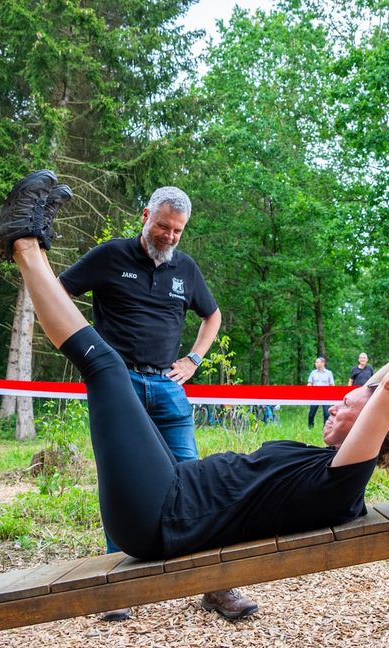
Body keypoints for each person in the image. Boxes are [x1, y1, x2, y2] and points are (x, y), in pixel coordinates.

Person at [0, 170, 389, 567]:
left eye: (350, 402)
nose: (341, 400)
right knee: (111, 367)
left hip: (161, 514)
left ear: (370, 428)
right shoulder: (333, 465)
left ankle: (23, 242)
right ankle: (29, 238)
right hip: (170, 492)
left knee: (104, 364)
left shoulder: (342, 482)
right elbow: (385, 382)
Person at [51, 180, 254, 620]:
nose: (169, 237)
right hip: (118, 387)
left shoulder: (185, 268)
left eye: (177, 231)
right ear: (146, 216)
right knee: (120, 481)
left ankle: (214, 587)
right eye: (163, 226)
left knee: (194, 483)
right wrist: (89, 353)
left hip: (167, 386)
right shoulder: (110, 255)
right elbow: (57, 293)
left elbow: (212, 314)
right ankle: (118, 589)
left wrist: (195, 359)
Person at [306, 357, 334, 429]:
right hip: (315, 395)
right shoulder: (313, 372)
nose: (316, 364)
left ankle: (325, 428)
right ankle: (310, 427)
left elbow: (332, 385)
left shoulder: (329, 373)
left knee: (326, 413)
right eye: (315, 362)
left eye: (317, 362)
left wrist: (332, 396)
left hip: (326, 395)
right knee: (311, 413)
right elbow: (309, 383)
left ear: (322, 363)